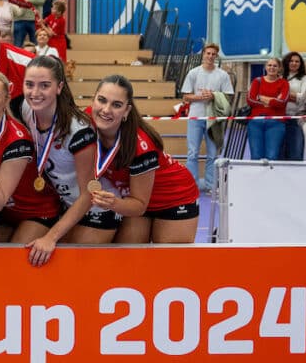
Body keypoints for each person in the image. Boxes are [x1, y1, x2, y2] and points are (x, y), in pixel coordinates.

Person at [18, 56, 114, 264]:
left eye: (44, 85)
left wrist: (51, 237)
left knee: (70, 266)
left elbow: (90, 193)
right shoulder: (27, 110)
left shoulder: (78, 131)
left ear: (59, 87)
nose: (35, 93)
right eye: (29, 85)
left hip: (95, 209)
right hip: (63, 207)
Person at [89, 75, 199, 244]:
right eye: (102, 100)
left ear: (127, 110)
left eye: (116, 105)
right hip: (134, 201)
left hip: (174, 197)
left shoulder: (141, 146)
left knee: (169, 264)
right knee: (128, 260)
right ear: (93, 99)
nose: (106, 109)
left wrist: (113, 203)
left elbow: (139, 204)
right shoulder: (85, 120)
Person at [0, 71, 60, 244]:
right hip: (1, 212)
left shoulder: (18, 140)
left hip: (34, 211)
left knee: (16, 261)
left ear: (6, 100)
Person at [180, 43, 233, 192]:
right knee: (192, 153)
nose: (210, 56)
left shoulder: (222, 75)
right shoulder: (193, 73)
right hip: (195, 118)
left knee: (212, 154)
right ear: (203, 54)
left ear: (216, 56)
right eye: (208, 53)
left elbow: (229, 96)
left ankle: (211, 185)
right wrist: (200, 97)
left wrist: (213, 96)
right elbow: (186, 96)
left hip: (214, 119)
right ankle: (192, 185)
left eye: (213, 54)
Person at [246, 57, 289, 160]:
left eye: (275, 66)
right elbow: (250, 100)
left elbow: (282, 103)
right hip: (255, 122)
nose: (272, 68)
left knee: (272, 156)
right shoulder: (257, 81)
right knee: (256, 157)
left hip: (276, 123)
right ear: (265, 67)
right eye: (269, 65)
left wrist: (261, 97)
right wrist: (273, 100)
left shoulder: (284, 83)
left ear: (279, 68)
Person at [282, 51, 306, 161]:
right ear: (287, 62)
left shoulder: (304, 79)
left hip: (296, 120)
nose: (294, 63)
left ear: (300, 64)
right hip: (280, 119)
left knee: (296, 152)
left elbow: (304, 98)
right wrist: (293, 96)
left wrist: (284, 95)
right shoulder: (280, 77)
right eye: (291, 61)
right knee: (280, 153)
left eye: (297, 61)